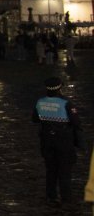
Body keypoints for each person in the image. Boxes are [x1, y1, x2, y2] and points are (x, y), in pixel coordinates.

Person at [33, 76, 83, 207]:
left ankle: (51, 196)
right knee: (65, 170)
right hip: (64, 141)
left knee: (51, 169)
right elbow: (76, 122)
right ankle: (66, 197)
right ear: (60, 88)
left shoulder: (40, 102)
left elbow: (35, 119)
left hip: (46, 141)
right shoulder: (66, 103)